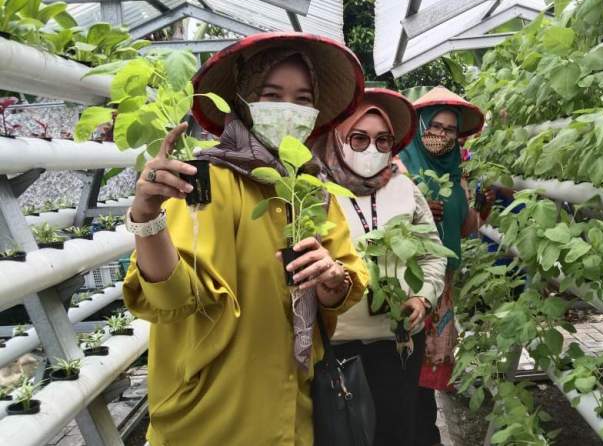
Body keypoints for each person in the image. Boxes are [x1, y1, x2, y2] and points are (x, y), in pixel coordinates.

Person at [122, 33, 369, 446]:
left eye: (303, 98)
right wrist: (147, 218)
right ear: (243, 101)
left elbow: (346, 278)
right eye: (271, 95)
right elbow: (174, 298)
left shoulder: (312, 191)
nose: (288, 109)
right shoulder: (208, 180)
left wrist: (332, 280)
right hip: (211, 417)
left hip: (293, 414)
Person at [312, 88, 448, 446]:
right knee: (342, 433)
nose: (371, 148)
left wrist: (422, 297)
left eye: (382, 139)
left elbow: (433, 253)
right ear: (338, 137)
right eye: (359, 138)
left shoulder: (404, 188)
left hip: (398, 342)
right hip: (335, 344)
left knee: (395, 430)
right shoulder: (315, 190)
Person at [397, 86, 490, 446]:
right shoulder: (400, 166)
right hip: (409, 279)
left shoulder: (455, 175)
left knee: (429, 363)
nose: (442, 135)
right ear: (420, 126)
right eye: (435, 126)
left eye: (450, 129)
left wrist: (483, 209)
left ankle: (424, 430)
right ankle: (412, 431)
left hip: (442, 283)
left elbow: (464, 227)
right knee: (406, 360)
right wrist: (417, 212)